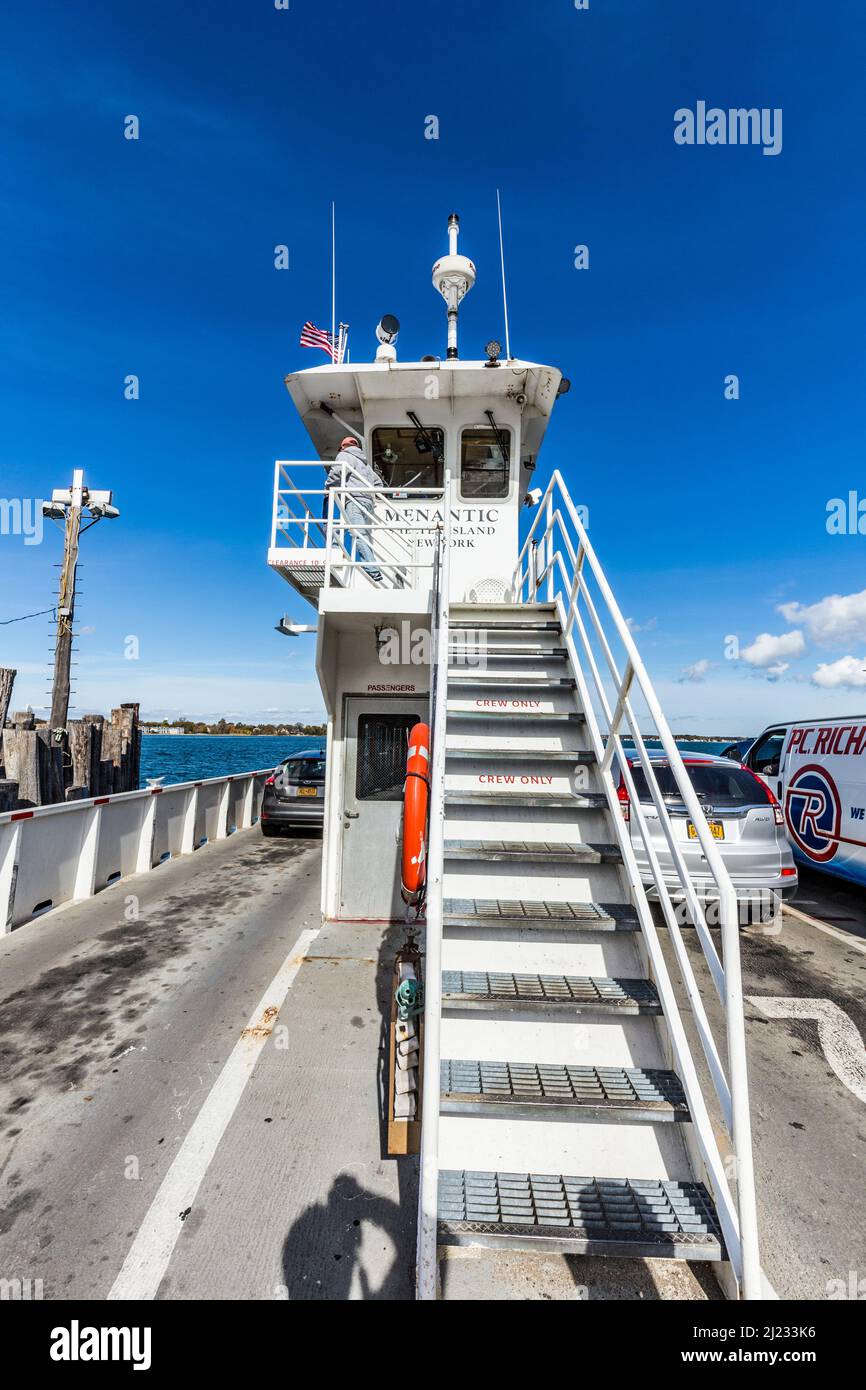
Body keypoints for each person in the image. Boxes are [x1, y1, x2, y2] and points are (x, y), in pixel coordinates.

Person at [323, 437, 383, 582]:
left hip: (354, 500)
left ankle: (372, 569)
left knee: (358, 533)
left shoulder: (344, 456)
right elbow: (379, 484)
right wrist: (371, 496)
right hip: (367, 503)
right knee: (361, 533)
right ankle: (337, 547)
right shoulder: (366, 465)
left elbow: (336, 473)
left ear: (343, 446)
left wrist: (327, 488)